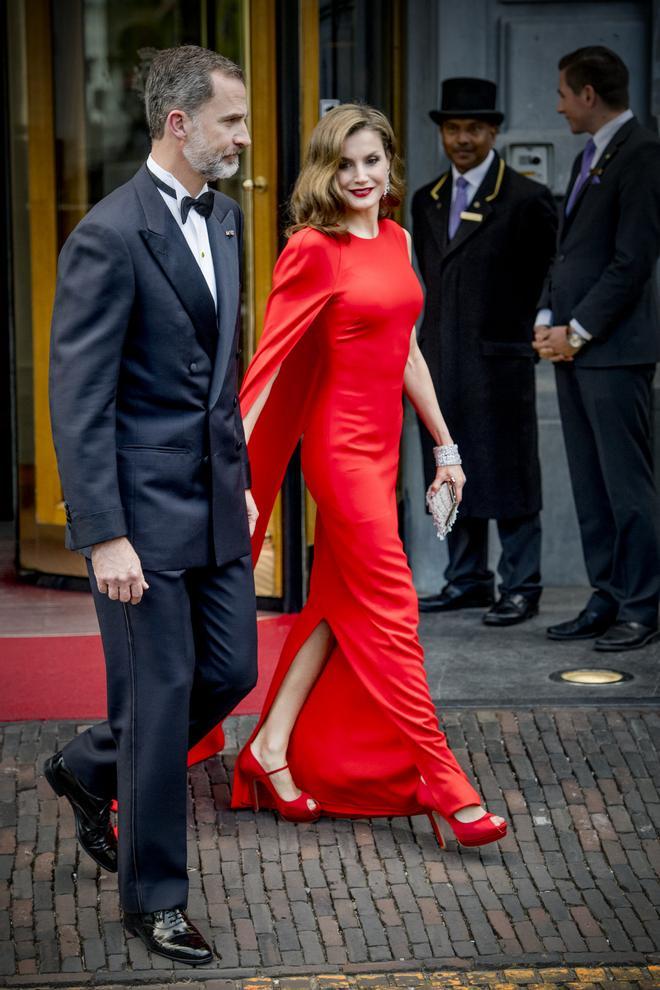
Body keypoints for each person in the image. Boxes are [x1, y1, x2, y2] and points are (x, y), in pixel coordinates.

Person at [228, 104, 508, 850]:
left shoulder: (398, 237)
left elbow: (407, 350)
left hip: (382, 449)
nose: (359, 177)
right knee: (394, 611)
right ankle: (449, 785)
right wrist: (235, 467)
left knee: (337, 601)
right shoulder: (312, 250)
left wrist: (445, 447)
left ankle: (272, 746)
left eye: (372, 162)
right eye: (344, 164)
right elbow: (271, 360)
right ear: (327, 169)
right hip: (337, 451)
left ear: (390, 167)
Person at [45, 45, 258, 965]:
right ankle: (154, 896)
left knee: (232, 671)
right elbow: (78, 399)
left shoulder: (228, 220)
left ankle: (89, 766)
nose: (244, 136)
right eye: (232, 121)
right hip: (137, 524)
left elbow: (219, 378)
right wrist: (103, 536)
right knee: (162, 699)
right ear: (179, 124)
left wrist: (239, 480)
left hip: (212, 503)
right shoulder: (108, 232)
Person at [412, 78, 557, 626]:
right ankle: (466, 580)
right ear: (442, 133)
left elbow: (550, 272)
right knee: (453, 466)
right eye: (453, 128)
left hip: (499, 362)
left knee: (511, 475)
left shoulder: (525, 198)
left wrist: (542, 322)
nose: (463, 138)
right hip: (443, 360)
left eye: (474, 128)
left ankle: (522, 585)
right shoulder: (426, 200)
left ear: (493, 132)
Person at [534, 46, 660, 652]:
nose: (557, 105)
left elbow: (632, 261)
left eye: (563, 93)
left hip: (614, 352)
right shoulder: (591, 153)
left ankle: (641, 605)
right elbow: (571, 253)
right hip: (575, 348)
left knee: (627, 488)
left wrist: (576, 330)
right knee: (590, 487)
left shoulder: (642, 153)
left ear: (587, 94)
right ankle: (606, 596)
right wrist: (546, 319)